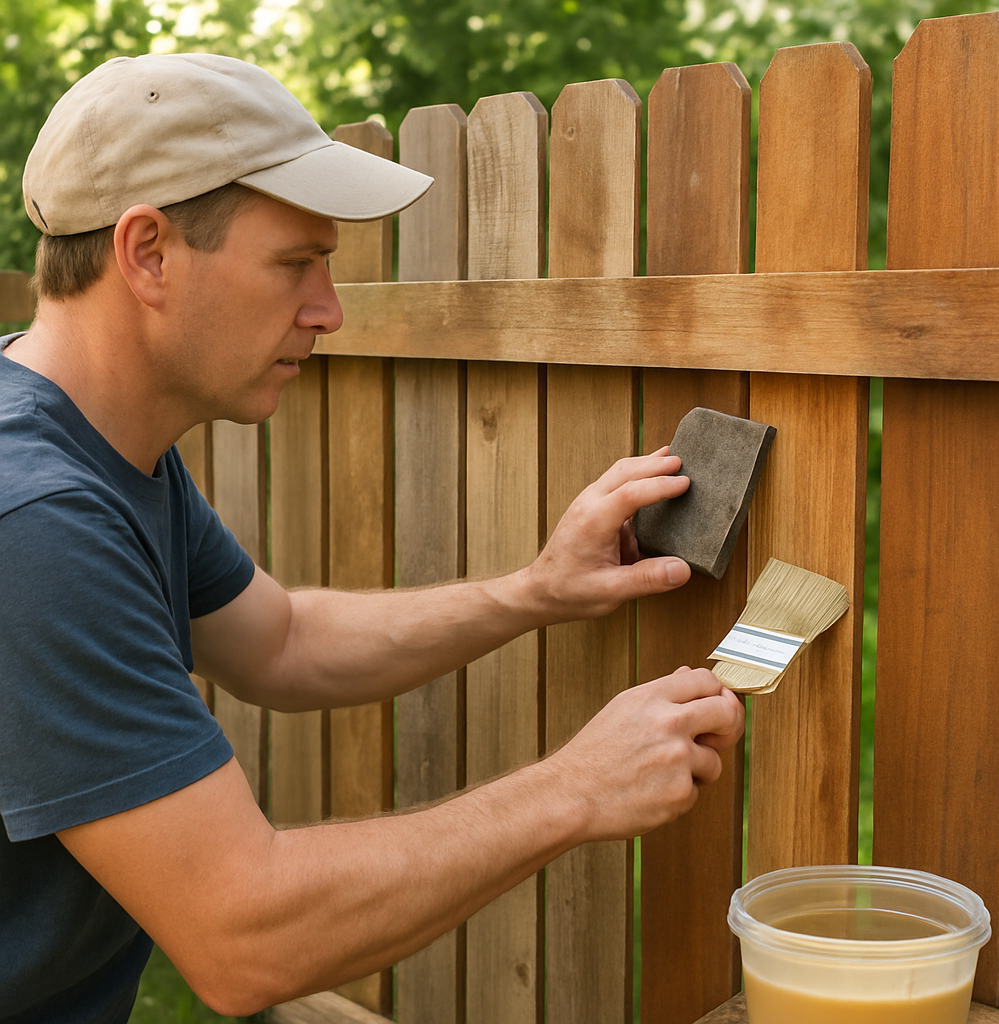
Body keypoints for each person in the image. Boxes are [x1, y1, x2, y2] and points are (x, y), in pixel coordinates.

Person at [0, 53, 745, 1021]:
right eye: (293, 263)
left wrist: (537, 588)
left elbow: (281, 642)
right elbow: (242, 934)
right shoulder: (36, 521)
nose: (329, 309)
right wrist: (576, 789)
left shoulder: (101, 447)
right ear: (147, 252)